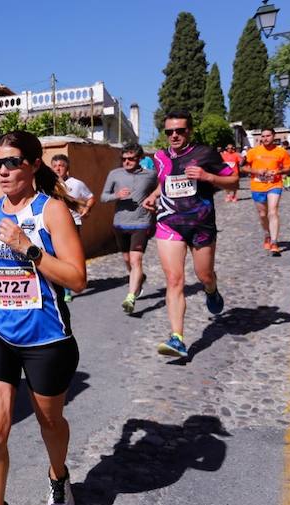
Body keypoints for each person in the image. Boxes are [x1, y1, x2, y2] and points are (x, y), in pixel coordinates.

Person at [0, 131, 86, 505]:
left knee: (50, 422)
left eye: (11, 162)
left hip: (46, 336)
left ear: (33, 164)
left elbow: (77, 279)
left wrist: (29, 249)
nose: (2, 170)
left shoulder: (52, 212)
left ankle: (58, 476)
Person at [141, 110, 238, 358]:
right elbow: (165, 182)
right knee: (174, 280)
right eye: (169, 131)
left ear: (189, 131)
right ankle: (177, 339)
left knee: (203, 274)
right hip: (169, 223)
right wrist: (153, 197)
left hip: (201, 224)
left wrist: (208, 176)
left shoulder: (206, 153)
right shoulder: (160, 156)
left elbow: (234, 182)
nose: (174, 135)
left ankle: (211, 288)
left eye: (180, 131)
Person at [100, 143, 159, 314]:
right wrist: (116, 195)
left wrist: (155, 203)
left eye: (131, 159)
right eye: (124, 159)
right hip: (120, 223)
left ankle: (130, 297)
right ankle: (139, 278)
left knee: (135, 260)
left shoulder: (150, 175)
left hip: (141, 223)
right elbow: (103, 197)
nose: (126, 162)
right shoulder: (115, 174)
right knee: (127, 260)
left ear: (140, 158)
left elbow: (160, 190)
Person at [50, 154, 95, 303]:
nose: (57, 168)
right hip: (52, 224)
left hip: (72, 224)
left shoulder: (76, 184)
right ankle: (56, 287)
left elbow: (90, 197)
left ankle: (67, 290)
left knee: (68, 257)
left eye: (61, 165)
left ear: (67, 167)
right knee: (53, 255)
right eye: (54, 166)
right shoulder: (49, 184)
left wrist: (87, 209)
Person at [241, 129, 290, 255]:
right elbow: (243, 167)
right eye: (263, 136)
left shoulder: (281, 152)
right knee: (263, 214)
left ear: (273, 136)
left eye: (268, 136)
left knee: (273, 211)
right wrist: (257, 171)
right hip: (257, 186)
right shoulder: (253, 152)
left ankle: (274, 242)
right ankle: (267, 234)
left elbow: (289, 167)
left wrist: (278, 172)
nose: (265, 138)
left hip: (274, 185)